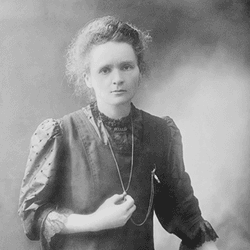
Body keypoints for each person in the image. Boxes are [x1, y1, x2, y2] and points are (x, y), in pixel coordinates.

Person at [18, 16, 219, 250]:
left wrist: (208, 245)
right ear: (88, 78)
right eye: (105, 70)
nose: (117, 79)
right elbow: (33, 217)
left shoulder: (160, 133)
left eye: (126, 67)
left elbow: (183, 210)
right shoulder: (61, 134)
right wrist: (94, 222)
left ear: (139, 71)